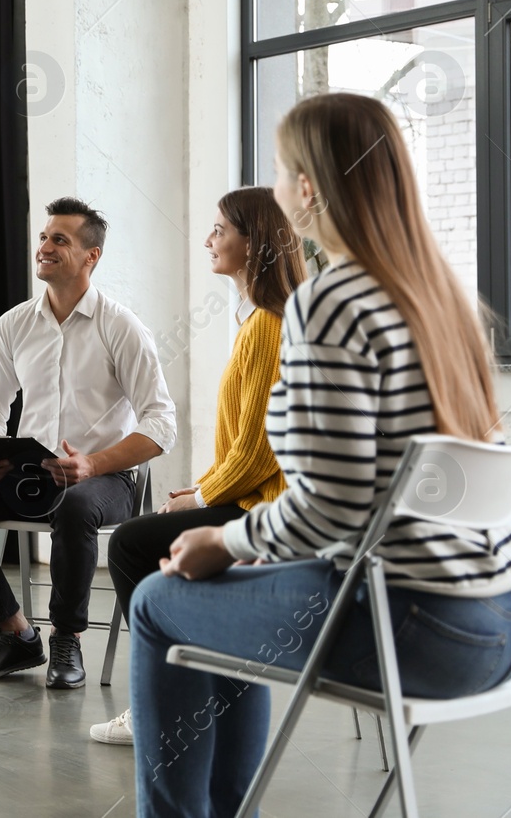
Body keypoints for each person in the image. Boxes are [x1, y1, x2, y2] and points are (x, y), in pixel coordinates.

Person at [129, 94, 511, 818]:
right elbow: (371, 493)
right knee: (228, 593)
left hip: (414, 627)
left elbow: (334, 502)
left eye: (285, 172)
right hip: (510, 620)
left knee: (159, 600)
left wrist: (223, 537)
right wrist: (253, 546)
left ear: (310, 187)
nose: (280, 188)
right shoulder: (444, 295)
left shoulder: (330, 300)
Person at [0, 198, 177, 688]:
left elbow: (161, 425)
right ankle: (16, 635)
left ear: (91, 256)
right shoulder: (13, 324)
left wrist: (93, 464)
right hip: (29, 473)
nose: (46, 247)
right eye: (44, 237)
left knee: (74, 504)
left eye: (61, 239)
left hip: (107, 479)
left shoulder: (121, 327)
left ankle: (67, 639)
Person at [89, 186, 302, 745]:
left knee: (131, 543)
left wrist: (204, 498)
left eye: (220, 231)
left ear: (254, 245)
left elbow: (259, 451)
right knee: (155, 529)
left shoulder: (268, 326)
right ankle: (189, 686)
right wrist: (203, 488)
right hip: (252, 496)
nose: (208, 239)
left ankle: (166, 704)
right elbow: (248, 447)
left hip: (265, 510)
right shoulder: (261, 320)